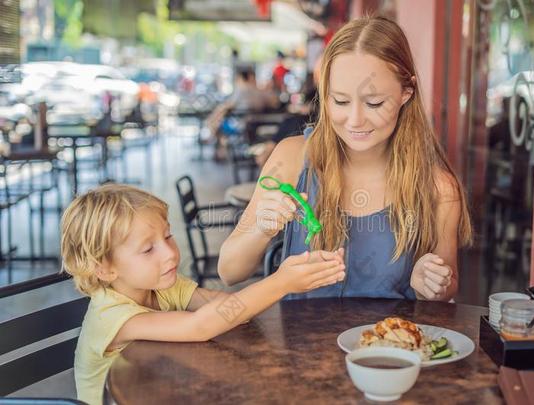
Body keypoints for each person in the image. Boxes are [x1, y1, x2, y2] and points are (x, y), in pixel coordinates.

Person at [218, 16, 472, 301]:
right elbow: (229, 272)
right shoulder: (291, 158)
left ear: (406, 93)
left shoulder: (439, 189)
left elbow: (448, 285)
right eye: (339, 101)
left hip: (389, 342)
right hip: (298, 344)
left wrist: (432, 283)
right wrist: (261, 230)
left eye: (374, 103)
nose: (355, 120)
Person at [60, 184, 345, 405]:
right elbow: (202, 325)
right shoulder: (112, 315)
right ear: (105, 269)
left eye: (168, 236)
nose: (170, 253)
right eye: (148, 249)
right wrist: (281, 282)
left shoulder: (162, 285)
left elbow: (228, 312)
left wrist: (281, 282)